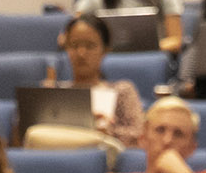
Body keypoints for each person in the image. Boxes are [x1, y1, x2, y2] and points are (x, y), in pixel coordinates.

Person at [30, 15, 145, 156]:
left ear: (105, 50)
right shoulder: (53, 91)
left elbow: (140, 138)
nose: (81, 53)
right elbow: (22, 139)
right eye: (74, 45)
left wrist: (108, 133)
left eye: (90, 46)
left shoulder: (121, 91)